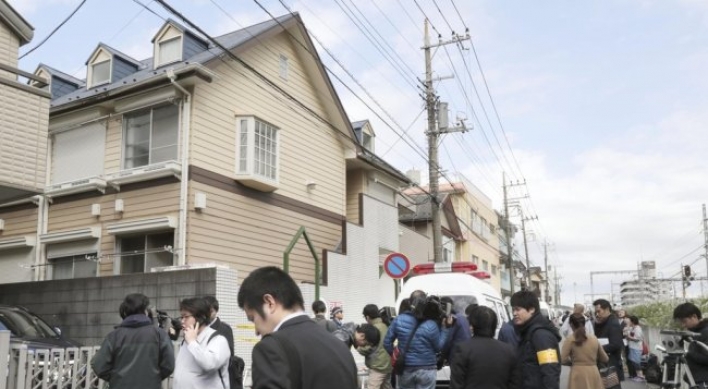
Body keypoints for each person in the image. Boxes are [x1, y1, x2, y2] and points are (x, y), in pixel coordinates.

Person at [237, 266, 358, 389]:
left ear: (269, 302)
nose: (256, 331)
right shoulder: (339, 347)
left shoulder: (271, 348)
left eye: (253, 318)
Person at [91, 293, 175, 389]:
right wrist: (153, 378)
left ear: (126, 311)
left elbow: (98, 365)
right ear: (145, 311)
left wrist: (116, 378)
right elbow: (169, 365)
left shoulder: (113, 336)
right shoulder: (159, 334)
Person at [384, 292, 452, 389]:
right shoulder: (431, 324)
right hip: (427, 369)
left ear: (409, 302)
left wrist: (397, 355)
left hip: (405, 368)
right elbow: (438, 348)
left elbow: (387, 343)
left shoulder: (399, 320)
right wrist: (445, 328)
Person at [450, 306, 520, 389]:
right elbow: (515, 383)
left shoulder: (463, 349)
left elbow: (456, 384)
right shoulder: (509, 351)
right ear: (494, 325)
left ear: (472, 325)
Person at [173, 297, 231, 389]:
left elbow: (210, 364)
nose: (182, 321)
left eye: (186, 317)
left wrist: (192, 343)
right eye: (181, 317)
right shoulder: (186, 340)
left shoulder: (218, 340)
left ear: (200, 317)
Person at [510, 290, 561, 389]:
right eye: (513, 310)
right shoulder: (527, 331)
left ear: (532, 309)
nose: (514, 313)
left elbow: (550, 371)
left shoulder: (541, 335)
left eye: (518, 309)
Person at [204, 295, 243, 389]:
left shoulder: (224, 329)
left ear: (216, 311)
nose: (208, 315)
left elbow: (229, 355)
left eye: (211, 311)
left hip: (219, 376)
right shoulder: (201, 328)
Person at [560, 314, 608, 389]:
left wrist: (573, 363)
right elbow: (605, 358)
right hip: (593, 372)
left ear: (571, 325)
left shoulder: (570, 339)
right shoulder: (594, 338)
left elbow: (563, 359)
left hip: (577, 373)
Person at [673, 302, 708, 385]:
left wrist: (687, 353)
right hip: (695, 379)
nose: (683, 325)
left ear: (694, 317)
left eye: (684, 321)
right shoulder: (697, 331)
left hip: (703, 381)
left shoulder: (705, 332)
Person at [361, 304, 393, 389]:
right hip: (388, 365)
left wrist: (358, 347)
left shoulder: (373, 329)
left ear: (367, 317)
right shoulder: (386, 325)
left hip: (377, 367)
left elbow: (367, 348)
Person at [593, 299, 625, 382]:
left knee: (612, 386)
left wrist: (597, 349)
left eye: (599, 311)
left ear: (607, 309)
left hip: (611, 364)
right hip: (605, 363)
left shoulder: (613, 323)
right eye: (595, 312)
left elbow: (616, 344)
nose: (597, 314)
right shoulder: (604, 322)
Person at [439, 297, 472, 367]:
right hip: (468, 354)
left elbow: (447, 341)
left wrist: (442, 357)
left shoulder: (452, 319)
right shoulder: (462, 317)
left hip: (457, 356)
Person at [625, 315, 646, 382]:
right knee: (634, 362)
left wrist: (629, 337)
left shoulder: (638, 328)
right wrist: (628, 328)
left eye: (629, 321)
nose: (629, 322)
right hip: (633, 347)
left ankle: (641, 376)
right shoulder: (633, 328)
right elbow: (626, 332)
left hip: (637, 348)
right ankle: (638, 375)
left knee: (637, 362)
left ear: (633, 321)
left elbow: (638, 339)